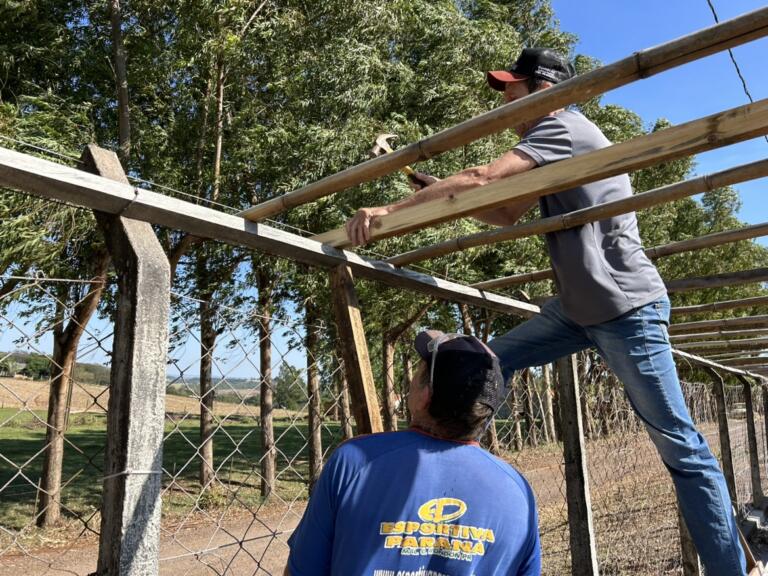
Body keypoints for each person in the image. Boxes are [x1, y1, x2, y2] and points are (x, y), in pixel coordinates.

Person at [344, 48, 746, 575]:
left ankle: (730, 568)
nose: (505, 98)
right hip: (579, 308)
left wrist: (387, 212)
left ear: (545, 90)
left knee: (680, 447)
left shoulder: (566, 127)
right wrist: (428, 188)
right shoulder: (550, 142)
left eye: (511, 86)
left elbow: (485, 179)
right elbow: (504, 208)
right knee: (486, 365)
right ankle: (454, 481)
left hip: (625, 305)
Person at [285, 330, 541, 576]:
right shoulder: (517, 489)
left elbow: (302, 571)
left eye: (418, 371)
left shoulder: (355, 461)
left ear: (425, 396)